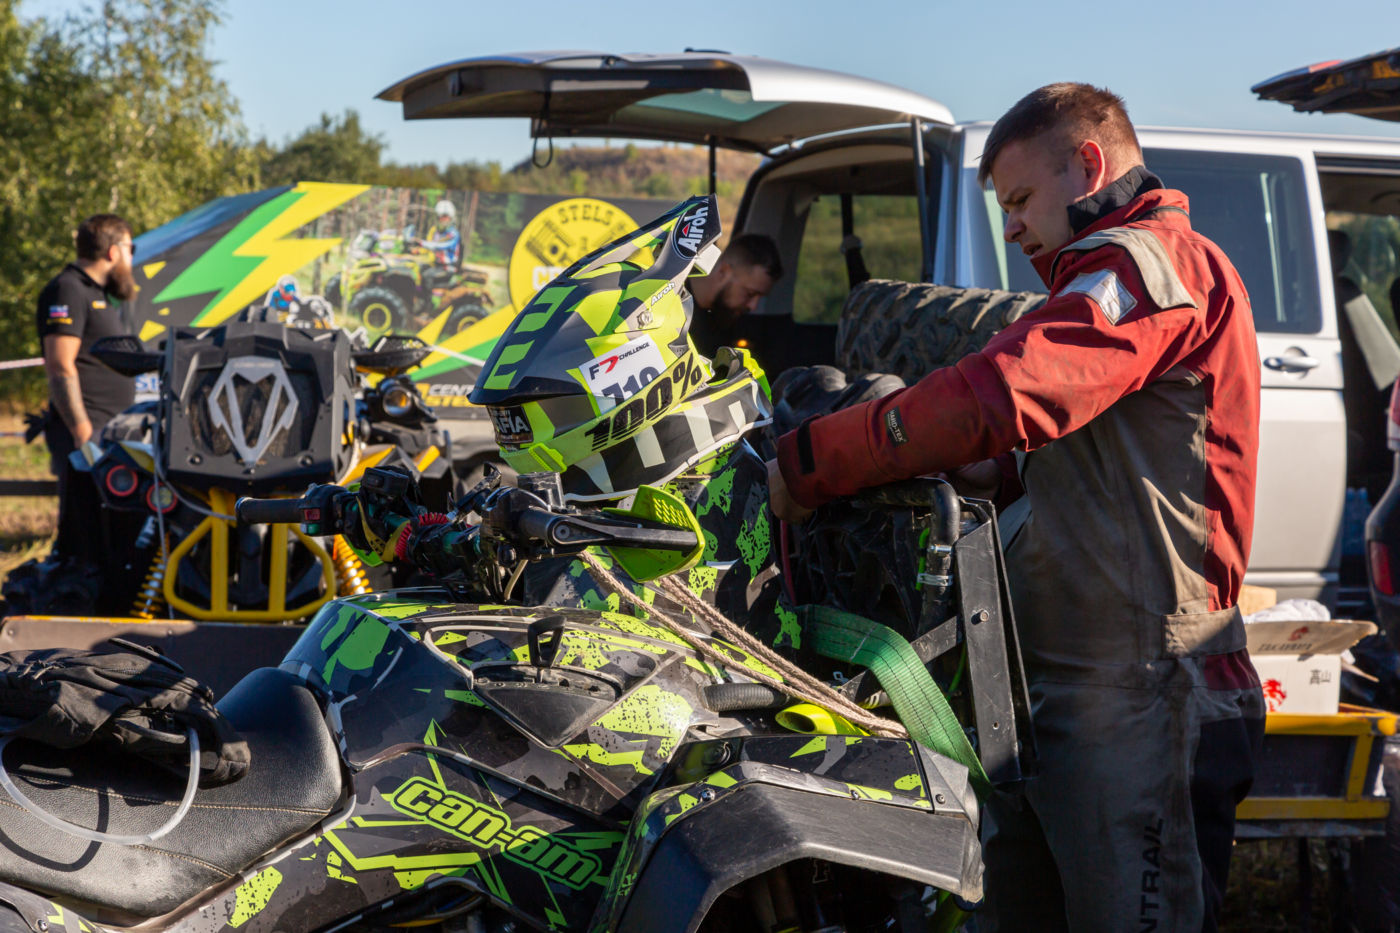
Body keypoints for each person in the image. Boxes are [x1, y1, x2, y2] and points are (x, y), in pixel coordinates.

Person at [768, 83, 1265, 932]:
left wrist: (817, 459)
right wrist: (996, 474)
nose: (1010, 228)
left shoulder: (1150, 268)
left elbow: (1004, 393)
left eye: (1022, 198)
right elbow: (1073, 448)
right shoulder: (1094, 289)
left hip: (1147, 694)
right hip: (1065, 686)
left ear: (1089, 163)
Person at [36, 213, 138, 565]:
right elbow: (60, 365)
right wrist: (82, 433)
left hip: (108, 432)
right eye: (131, 249)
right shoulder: (69, 289)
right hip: (86, 435)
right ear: (113, 251)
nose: (131, 258)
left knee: (110, 534)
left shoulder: (97, 294)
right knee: (82, 537)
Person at [687, 233, 783, 357]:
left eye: (760, 297)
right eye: (750, 294)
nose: (753, 306)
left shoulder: (724, 322)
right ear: (724, 272)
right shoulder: (671, 302)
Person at [417, 199, 462, 268]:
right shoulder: (436, 232)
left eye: (446, 217)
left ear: (451, 218)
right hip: (436, 264)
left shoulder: (453, 233)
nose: (443, 219)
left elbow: (441, 246)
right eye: (441, 217)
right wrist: (418, 250)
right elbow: (430, 246)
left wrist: (422, 243)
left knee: (426, 273)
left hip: (448, 267)